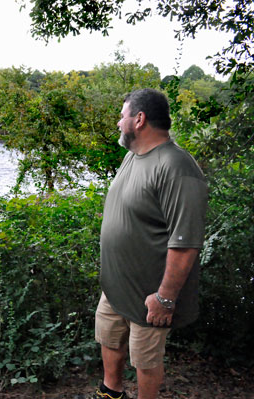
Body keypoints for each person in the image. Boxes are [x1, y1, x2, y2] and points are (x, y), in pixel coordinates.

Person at [93, 89, 208, 399]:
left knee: (144, 360)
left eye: (122, 115)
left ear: (139, 119)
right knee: (110, 340)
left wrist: (165, 298)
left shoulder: (177, 167)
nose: (119, 122)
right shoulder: (133, 157)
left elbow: (186, 243)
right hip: (117, 286)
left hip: (150, 294)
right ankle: (111, 393)